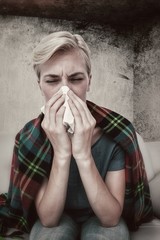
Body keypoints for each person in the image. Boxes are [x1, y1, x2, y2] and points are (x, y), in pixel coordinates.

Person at [0, 31, 153, 239]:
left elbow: (110, 219)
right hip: (57, 217)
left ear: (89, 81)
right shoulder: (30, 138)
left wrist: (82, 154)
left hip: (100, 218)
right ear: (39, 86)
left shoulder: (115, 134)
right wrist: (62, 153)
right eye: (52, 80)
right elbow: (49, 219)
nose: (65, 91)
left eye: (76, 79)